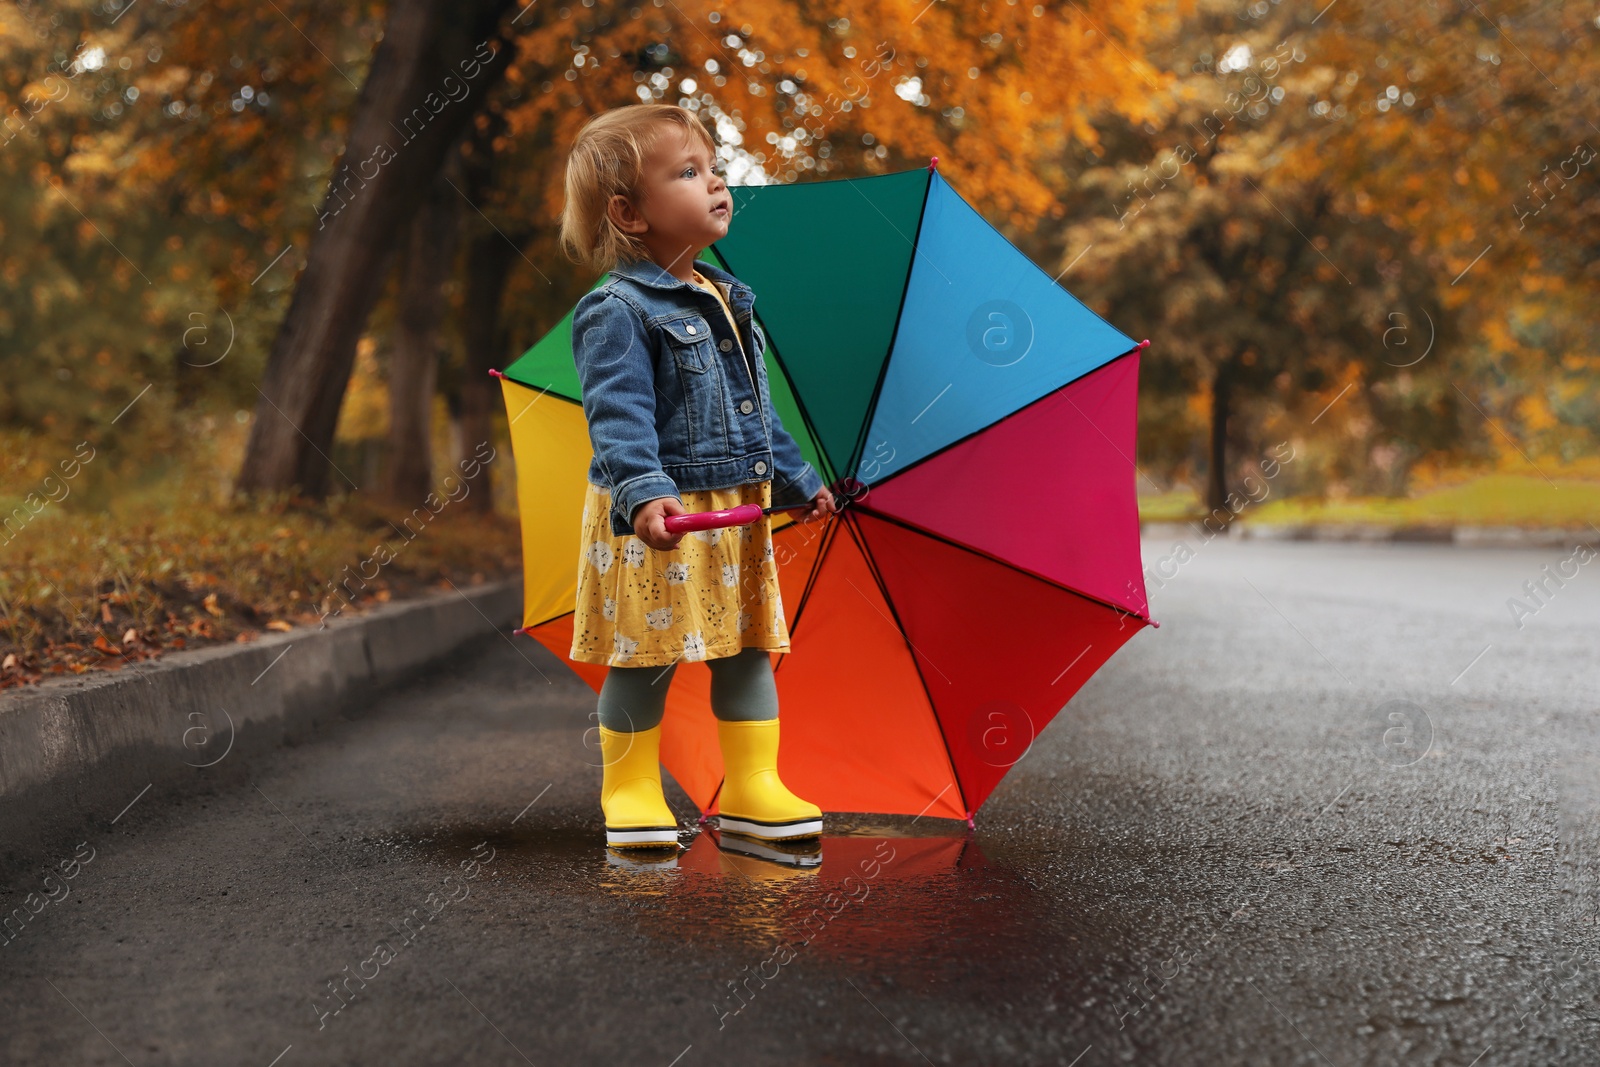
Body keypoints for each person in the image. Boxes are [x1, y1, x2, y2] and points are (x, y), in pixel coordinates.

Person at [557, 103, 837, 849]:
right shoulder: (616, 310)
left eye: (714, 169)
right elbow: (617, 416)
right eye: (687, 173)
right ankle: (630, 786)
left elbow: (754, 415)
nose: (716, 184)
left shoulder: (729, 298)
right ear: (629, 212)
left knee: (746, 647)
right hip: (663, 515)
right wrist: (645, 491)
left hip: (735, 509)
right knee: (645, 655)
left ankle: (752, 784)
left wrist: (798, 478)